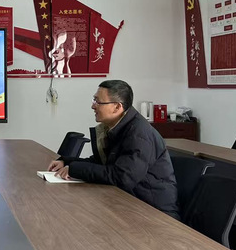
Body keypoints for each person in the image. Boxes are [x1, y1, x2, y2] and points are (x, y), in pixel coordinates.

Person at [48, 79, 179, 219]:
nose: (93, 106)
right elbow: (101, 163)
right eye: (94, 100)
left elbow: (122, 177)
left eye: (98, 102)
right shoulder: (117, 127)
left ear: (117, 107)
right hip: (127, 203)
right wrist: (67, 162)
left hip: (154, 213)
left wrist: (75, 169)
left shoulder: (139, 134)